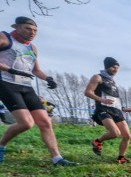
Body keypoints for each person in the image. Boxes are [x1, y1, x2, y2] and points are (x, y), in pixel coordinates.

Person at [0, 16, 76, 166]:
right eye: (28, 28)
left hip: (26, 86)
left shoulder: (32, 47)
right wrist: (11, 70)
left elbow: (36, 70)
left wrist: (48, 78)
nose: (32, 32)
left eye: (35, 30)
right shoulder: (4, 37)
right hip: (7, 83)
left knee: (45, 122)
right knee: (26, 123)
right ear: (16, 27)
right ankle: (1, 145)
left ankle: (57, 158)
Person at [85, 57, 131, 164]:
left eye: (117, 68)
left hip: (116, 111)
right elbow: (88, 92)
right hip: (103, 109)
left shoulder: (112, 81)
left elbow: (114, 101)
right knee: (115, 133)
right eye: (113, 67)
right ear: (107, 67)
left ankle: (121, 157)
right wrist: (102, 100)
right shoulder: (98, 77)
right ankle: (97, 141)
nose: (115, 70)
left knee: (127, 135)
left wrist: (124, 109)